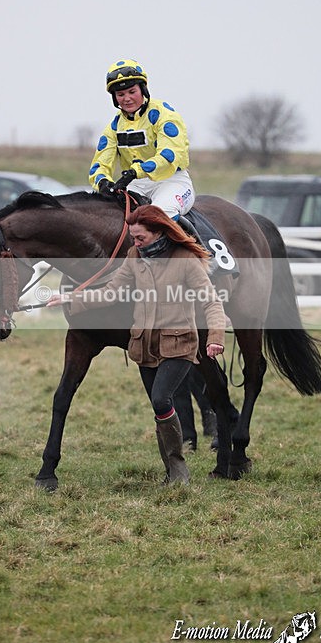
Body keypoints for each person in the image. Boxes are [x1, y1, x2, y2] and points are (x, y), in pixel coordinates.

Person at [47, 205, 226, 485]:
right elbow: (112, 293)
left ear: (159, 233)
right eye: (133, 237)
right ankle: (171, 471)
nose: (135, 242)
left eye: (140, 237)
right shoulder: (135, 257)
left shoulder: (185, 258)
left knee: (160, 399)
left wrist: (215, 338)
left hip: (178, 344)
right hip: (144, 346)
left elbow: (211, 301)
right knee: (159, 409)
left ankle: (178, 470)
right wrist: (72, 300)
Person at [89, 59, 199, 237]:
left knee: (158, 214)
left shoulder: (165, 115)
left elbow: (168, 156)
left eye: (132, 92)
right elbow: (100, 163)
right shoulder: (114, 126)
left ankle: (193, 258)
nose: (127, 98)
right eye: (120, 94)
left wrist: (135, 171)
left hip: (171, 181)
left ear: (143, 90)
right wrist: (102, 181)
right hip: (136, 185)